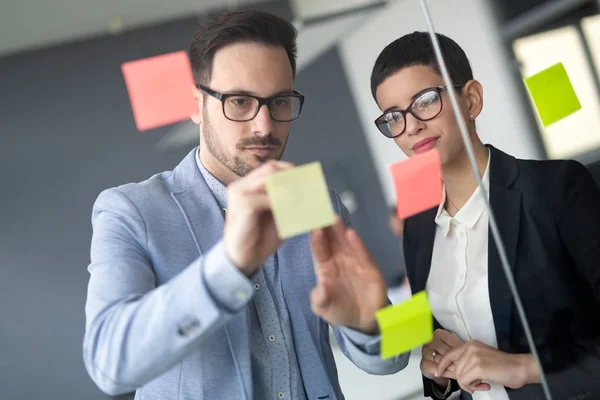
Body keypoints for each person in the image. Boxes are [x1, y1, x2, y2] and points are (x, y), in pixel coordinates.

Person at [83, 10, 408, 400]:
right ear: (196, 104)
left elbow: (394, 357)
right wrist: (228, 266)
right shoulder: (132, 211)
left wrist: (372, 327)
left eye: (280, 101)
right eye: (239, 101)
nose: (265, 126)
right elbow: (108, 366)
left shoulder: (314, 200)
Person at [367, 31, 600, 399]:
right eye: (393, 117)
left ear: (471, 98)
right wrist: (439, 376)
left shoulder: (555, 189)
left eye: (426, 101)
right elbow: (437, 349)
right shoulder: (418, 226)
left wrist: (522, 367)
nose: (410, 126)